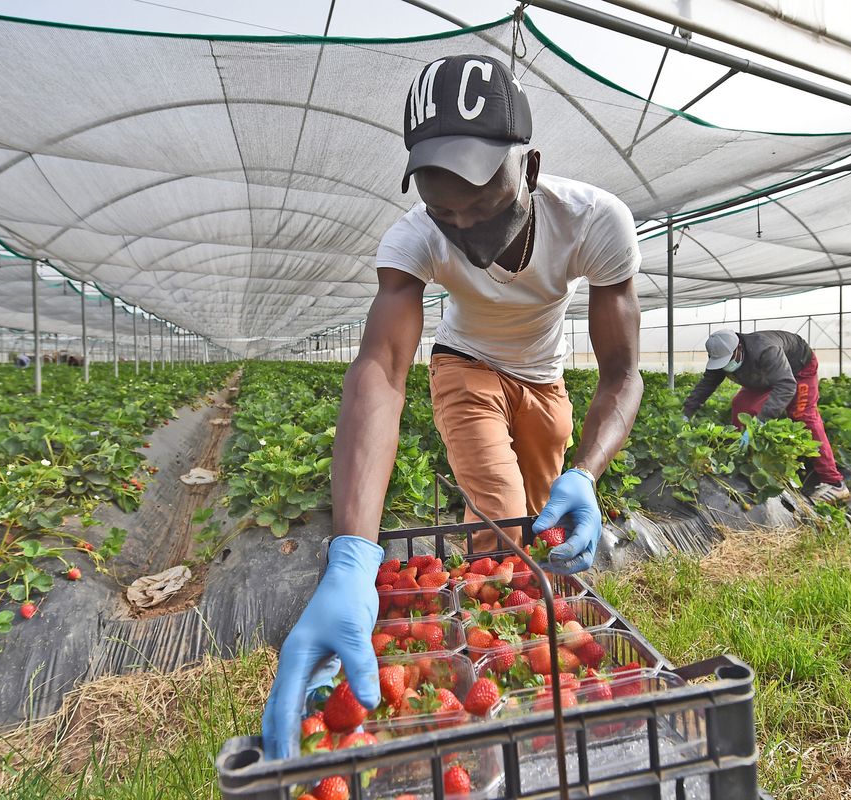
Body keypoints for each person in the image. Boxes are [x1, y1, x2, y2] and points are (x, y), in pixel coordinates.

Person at [261, 54, 644, 759]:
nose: (465, 227)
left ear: (528, 168)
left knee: (544, 525)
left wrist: (587, 472)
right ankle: (501, 695)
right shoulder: (416, 238)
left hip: (545, 379)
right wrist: (350, 555)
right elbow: (379, 370)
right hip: (464, 366)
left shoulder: (594, 220)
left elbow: (623, 373)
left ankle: (527, 653)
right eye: (447, 210)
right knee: (500, 518)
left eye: (485, 204)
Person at [681, 329, 851, 504]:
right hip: (766, 375)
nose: (726, 366)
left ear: (739, 348)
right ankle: (744, 462)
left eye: (728, 361)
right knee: (741, 406)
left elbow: (786, 385)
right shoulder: (722, 358)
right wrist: (686, 414)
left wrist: (761, 421)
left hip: (798, 368)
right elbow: (706, 385)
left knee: (802, 414)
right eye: (722, 363)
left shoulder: (766, 349)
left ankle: (834, 482)